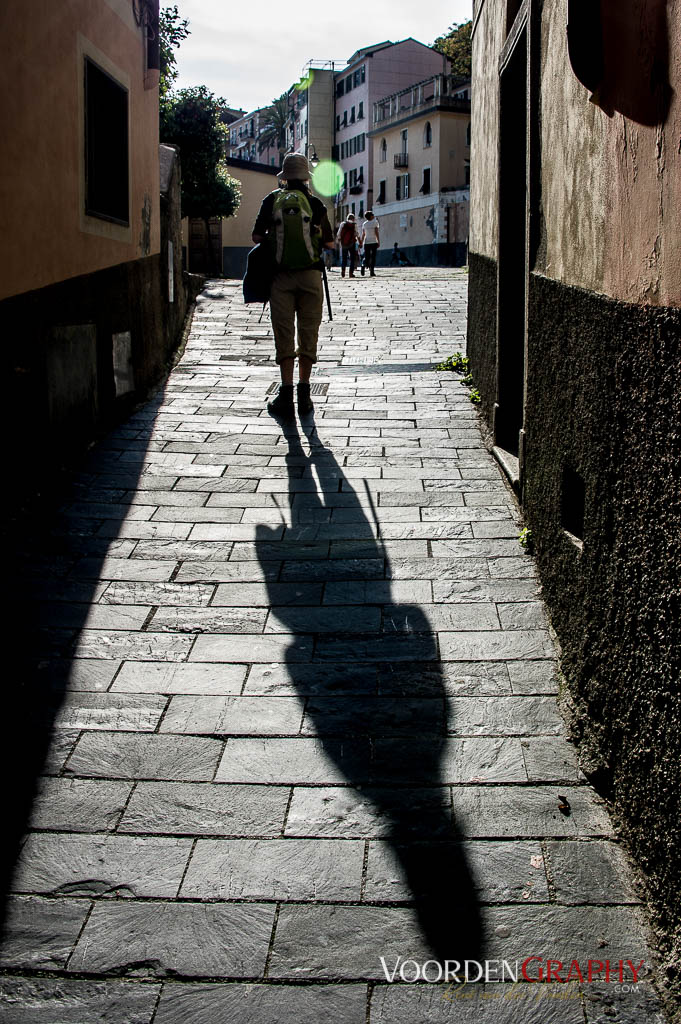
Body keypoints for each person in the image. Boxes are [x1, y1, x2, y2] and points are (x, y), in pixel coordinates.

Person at [251, 153, 335, 418]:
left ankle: (285, 395)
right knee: (308, 334)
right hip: (311, 277)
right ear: (306, 177)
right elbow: (331, 244)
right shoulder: (315, 203)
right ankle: (305, 395)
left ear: (284, 177)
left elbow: (255, 236)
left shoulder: (271, 200)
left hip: (281, 278)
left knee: (284, 335)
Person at [360, 211, 380, 276]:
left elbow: (363, 234)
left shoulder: (364, 224)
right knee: (373, 257)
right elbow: (376, 232)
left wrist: (361, 242)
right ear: (371, 216)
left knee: (366, 256)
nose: (373, 215)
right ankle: (372, 272)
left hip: (367, 242)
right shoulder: (375, 222)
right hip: (373, 241)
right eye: (372, 214)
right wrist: (378, 241)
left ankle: (363, 265)